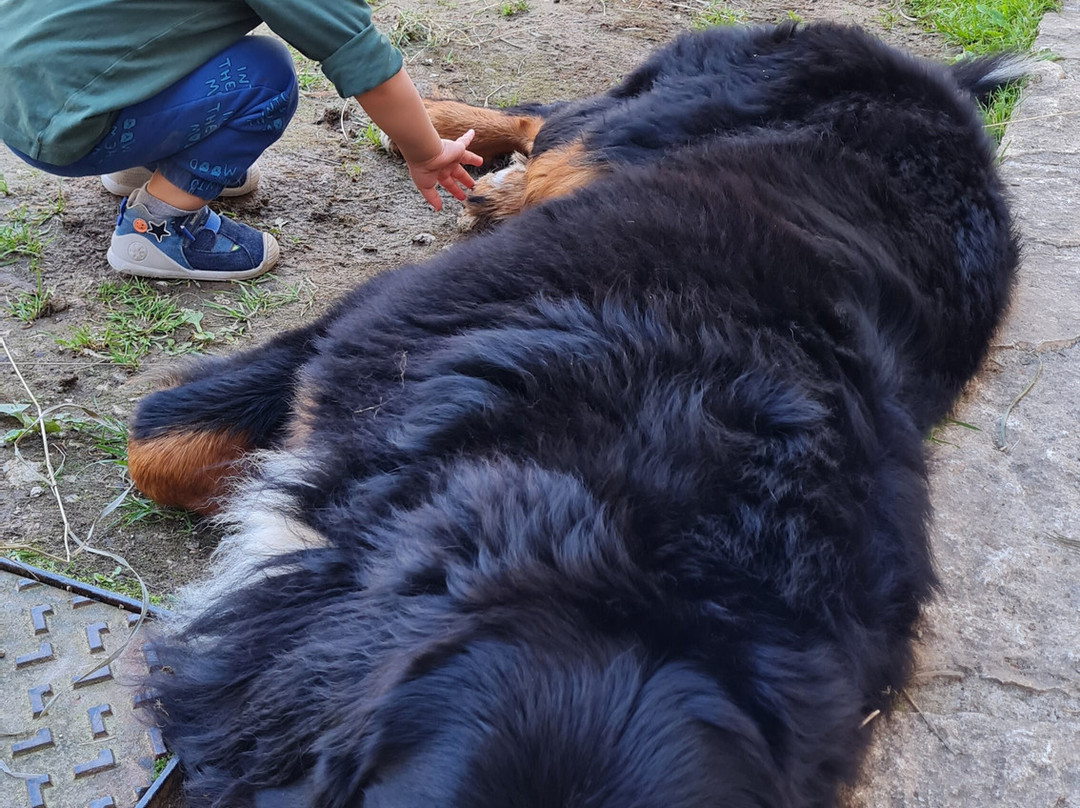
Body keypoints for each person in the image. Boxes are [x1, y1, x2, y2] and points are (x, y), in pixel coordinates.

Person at [0, 0, 484, 281]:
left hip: (26, 102)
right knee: (265, 76)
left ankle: (144, 164)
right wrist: (426, 152)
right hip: (77, 125)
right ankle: (157, 229)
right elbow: (360, 58)